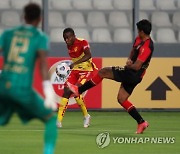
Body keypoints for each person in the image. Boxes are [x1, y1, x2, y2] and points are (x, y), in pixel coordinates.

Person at [67, 19, 154, 134]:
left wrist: (130, 64)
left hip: (134, 74)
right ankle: (141, 122)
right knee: (121, 99)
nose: (137, 33)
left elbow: (137, 66)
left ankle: (79, 90)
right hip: (131, 72)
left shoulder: (147, 46)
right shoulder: (139, 39)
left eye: (138, 31)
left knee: (103, 72)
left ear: (142, 31)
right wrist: (129, 59)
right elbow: (133, 50)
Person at [0, 3, 57, 154]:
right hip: (22, 90)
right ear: (39, 19)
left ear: (23, 17)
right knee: (51, 119)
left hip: (3, 87)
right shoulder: (39, 37)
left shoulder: (7, 34)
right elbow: (43, 64)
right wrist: (48, 90)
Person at [56, 28, 98, 128]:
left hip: (87, 70)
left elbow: (88, 55)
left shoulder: (82, 42)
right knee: (66, 90)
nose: (66, 40)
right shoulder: (68, 45)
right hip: (75, 71)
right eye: (64, 38)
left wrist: (73, 64)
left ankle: (86, 116)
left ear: (74, 36)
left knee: (76, 90)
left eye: (68, 38)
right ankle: (58, 120)